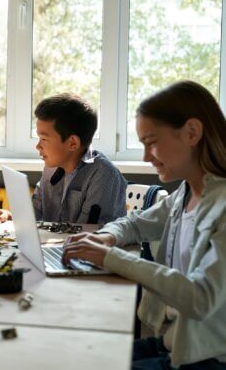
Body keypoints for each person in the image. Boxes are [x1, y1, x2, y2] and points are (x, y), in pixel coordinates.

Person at [62, 81, 226, 369]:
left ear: (192, 132)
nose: (145, 157)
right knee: (77, 355)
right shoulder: (185, 194)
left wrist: (112, 258)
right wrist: (107, 237)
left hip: (207, 357)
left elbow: (201, 298)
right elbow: (135, 224)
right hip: (175, 341)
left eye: (151, 142)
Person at [32, 94, 127, 225]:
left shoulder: (104, 175)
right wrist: (10, 219)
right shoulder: (51, 167)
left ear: (72, 143)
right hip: (58, 244)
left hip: (86, 245)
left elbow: (88, 234)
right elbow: (34, 215)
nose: (38, 146)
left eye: (44, 139)